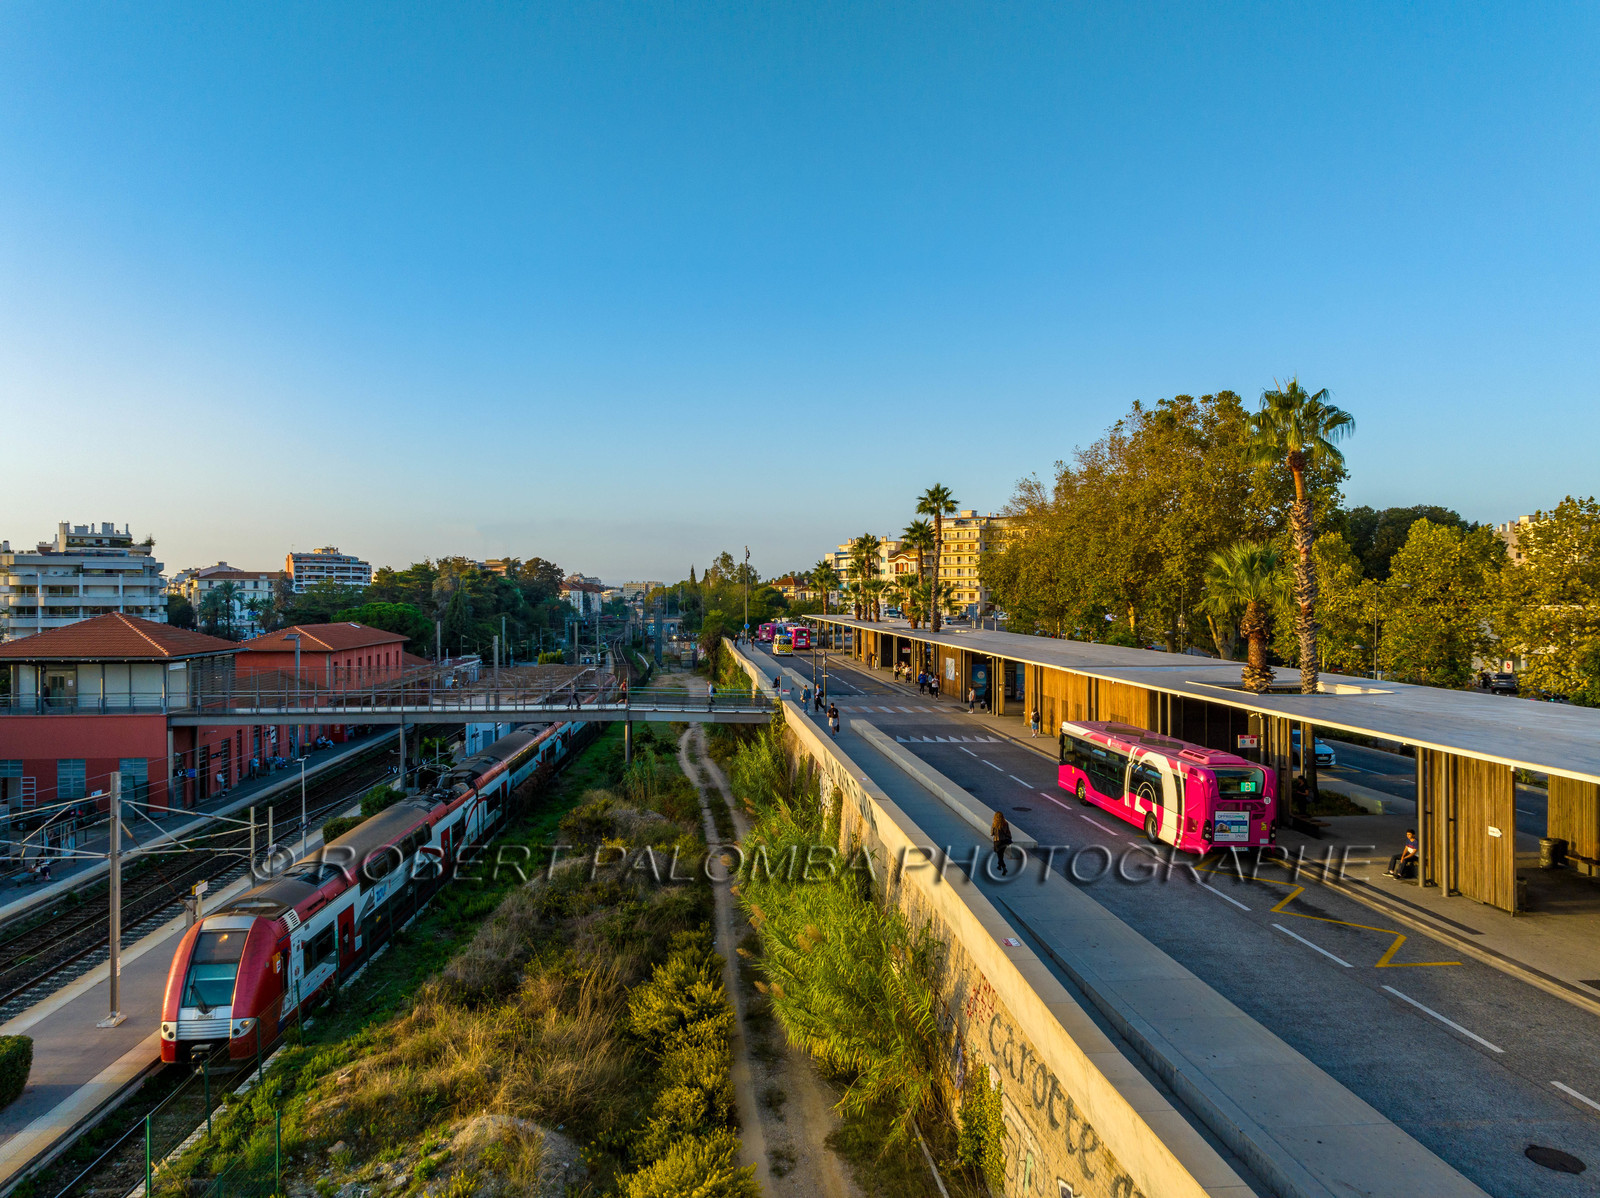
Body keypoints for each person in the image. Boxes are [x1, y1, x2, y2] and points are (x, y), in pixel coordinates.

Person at [990, 810, 1014, 876]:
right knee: (1001, 854)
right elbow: (1008, 832)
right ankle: (999, 866)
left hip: (997, 841)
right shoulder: (1005, 823)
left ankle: (1004, 867)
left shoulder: (994, 824)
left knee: (999, 856)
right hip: (1005, 841)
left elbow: (991, 833)